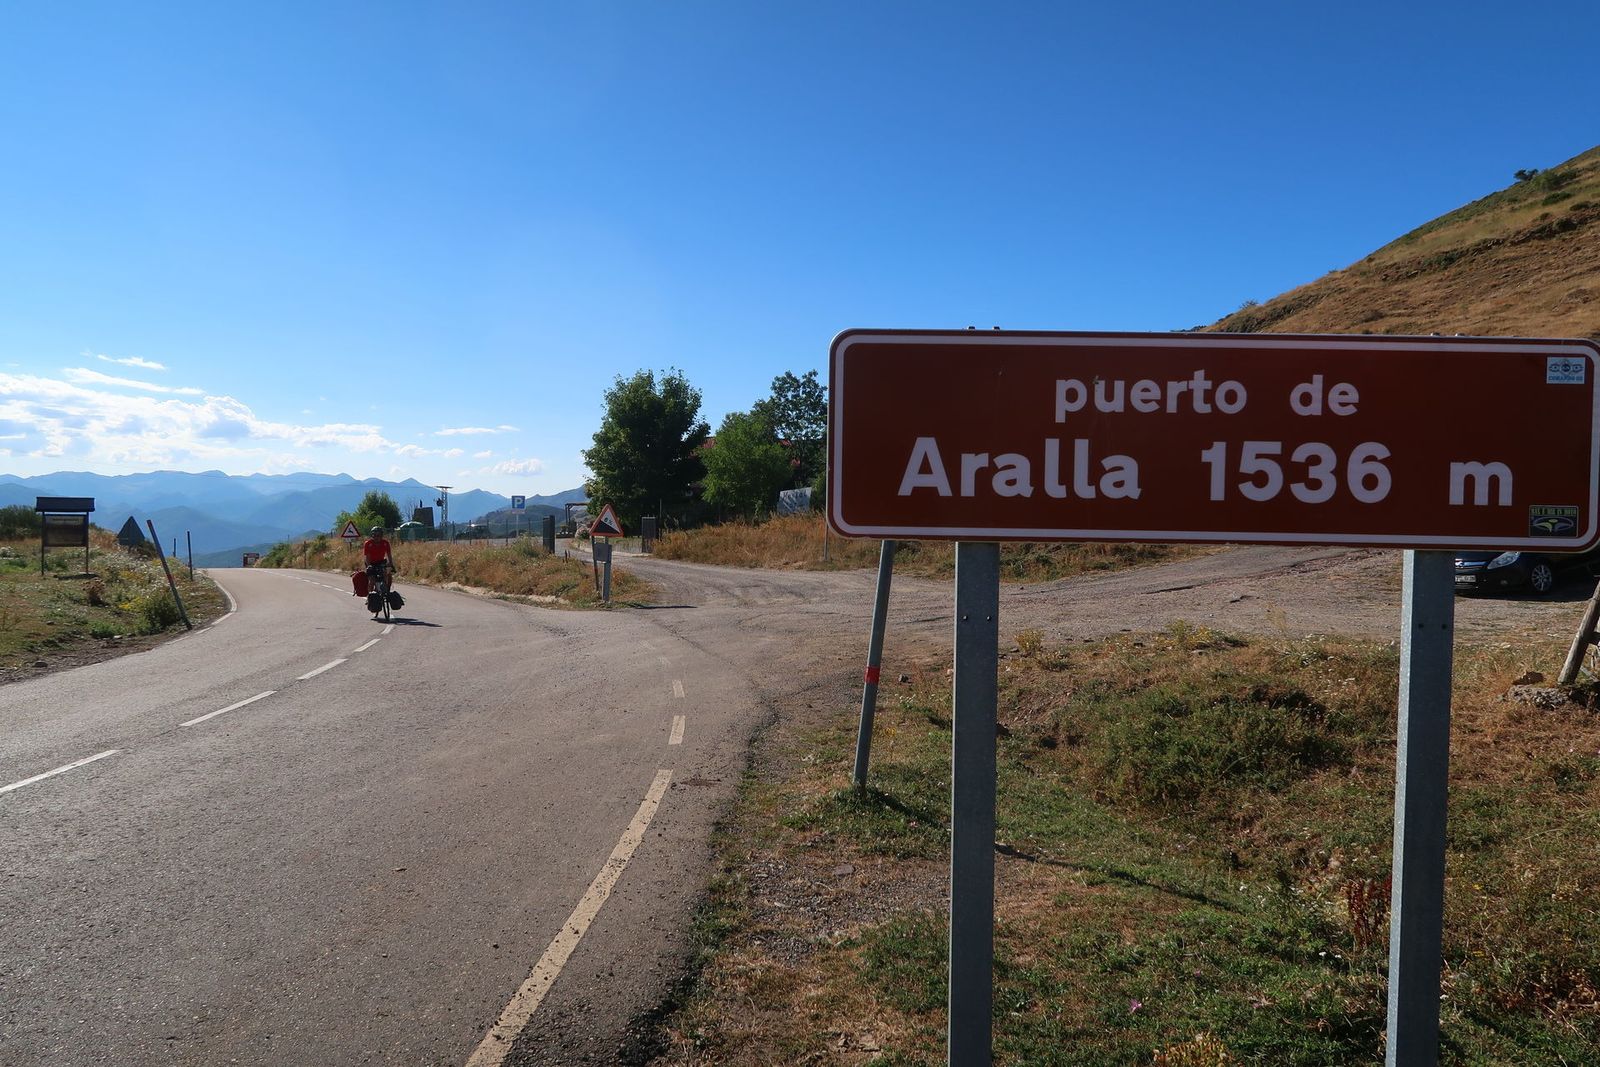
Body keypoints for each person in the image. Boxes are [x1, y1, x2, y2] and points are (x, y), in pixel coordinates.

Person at [361, 525, 396, 597]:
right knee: (372, 580)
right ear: (372, 535)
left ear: (381, 535)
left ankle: (387, 591)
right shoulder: (368, 543)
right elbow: (367, 557)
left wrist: (391, 564)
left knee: (388, 575)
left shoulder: (385, 543)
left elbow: (389, 554)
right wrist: (369, 566)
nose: (376, 537)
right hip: (371, 563)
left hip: (381, 562)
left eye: (378, 535)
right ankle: (369, 597)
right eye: (374, 535)